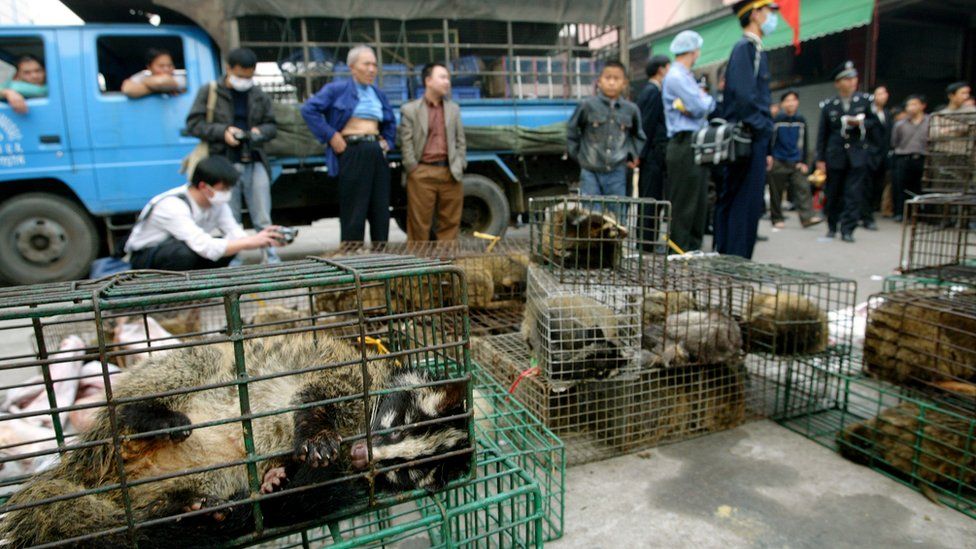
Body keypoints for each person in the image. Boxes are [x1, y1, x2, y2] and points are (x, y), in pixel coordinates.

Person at [186, 47, 280, 263]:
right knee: (229, 216)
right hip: (224, 161)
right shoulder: (210, 91)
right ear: (228, 69)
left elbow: (272, 126)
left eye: (249, 76)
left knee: (262, 214)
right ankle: (234, 260)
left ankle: (271, 257)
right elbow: (194, 124)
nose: (244, 81)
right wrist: (223, 132)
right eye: (240, 75)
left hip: (254, 158)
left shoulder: (258, 94)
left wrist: (258, 133)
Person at [301, 45, 396, 243]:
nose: (372, 70)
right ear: (352, 67)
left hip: (376, 150)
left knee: (380, 207)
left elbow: (390, 121)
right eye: (366, 64)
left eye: (374, 65)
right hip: (352, 150)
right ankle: (353, 254)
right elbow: (309, 110)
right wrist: (331, 135)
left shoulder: (377, 94)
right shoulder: (337, 90)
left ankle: (382, 254)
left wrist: (388, 142)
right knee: (354, 208)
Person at [125, 156, 284, 271]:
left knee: (226, 247)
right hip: (146, 257)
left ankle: (196, 292)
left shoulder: (216, 203)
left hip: (181, 249)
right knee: (184, 254)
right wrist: (250, 242)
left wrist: (264, 238)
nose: (227, 193)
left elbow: (234, 233)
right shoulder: (172, 205)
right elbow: (204, 246)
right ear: (203, 186)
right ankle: (169, 297)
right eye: (224, 189)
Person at [713, 0, 778, 259]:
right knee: (744, 201)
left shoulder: (755, 49)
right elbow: (744, 97)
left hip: (753, 136)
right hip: (748, 137)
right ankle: (735, 259)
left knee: (741, 199)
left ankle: (730, 256)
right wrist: (762, 128)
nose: (771, 18)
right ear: (755, 14)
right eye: (768, 12)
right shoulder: (745, 48)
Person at [398, 63, 467, 241]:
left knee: (450, 223)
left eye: (448, 78)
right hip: (422, 172)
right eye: (442, 77)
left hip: (450, 172)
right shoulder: (410, 110)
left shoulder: (453, 109)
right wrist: (412, 167)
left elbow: (460, 140)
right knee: (419, 225)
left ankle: (447, 258)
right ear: (428, 80)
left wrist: (460, 163)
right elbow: (406, 142)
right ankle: (419, 258)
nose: (447, 82)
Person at [815, 61, 881, 243]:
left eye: (854, 78)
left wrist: (860, 123)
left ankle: (848, 229)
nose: (852, 81)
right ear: (838, 83)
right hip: (835, 155)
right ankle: (832, 226)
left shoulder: (865, 101)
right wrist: (820, 158)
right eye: (847, 79)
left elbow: (875, 124)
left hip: (857, 155)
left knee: (854, 194)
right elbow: (823, 133)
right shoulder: (829, 105)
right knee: (833, 192)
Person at [567, 60, 644, 212]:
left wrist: (631, 155)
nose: (612, 82)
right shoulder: (587, 106)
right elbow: (572, 131)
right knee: (591, 216)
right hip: (590, 171)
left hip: (617, 171)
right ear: (599, 81)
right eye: (608, 78)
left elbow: (638, 135)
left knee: (617, 215)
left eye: (616, 78)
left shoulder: (631, 109)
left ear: (624, 83)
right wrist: (579, 156)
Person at [662, 30, 715, 253]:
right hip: (683, 143)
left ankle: (692, 251)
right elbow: (701, 106)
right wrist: (704, 100)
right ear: (694, 51)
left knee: (698, 203)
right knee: (685, 205)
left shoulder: (686, 76)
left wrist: (703, 101)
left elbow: (703, 104)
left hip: (694, 142)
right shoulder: (676, 77)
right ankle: (678, 254)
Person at [767, 90, 822, 229]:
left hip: (795, 160)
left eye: (793, 100)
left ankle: (807, 217)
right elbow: (770, 140)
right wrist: (769, 156)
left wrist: (804, 161)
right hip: (778, 159)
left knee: (803, 187)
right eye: (787, 100)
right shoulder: (777, 120)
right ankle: (777, 218)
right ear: (782, 104)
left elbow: (805, 141)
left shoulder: (801, 120)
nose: (791, 103)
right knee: (776, 192)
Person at [890, 95, 929, 222]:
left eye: (914, 104)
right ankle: (900, 213)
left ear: (922, 106)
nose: (910, 107)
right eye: (908, 105)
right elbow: (894, 142)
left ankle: (918, 214)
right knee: (900, 186)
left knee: (920, 187)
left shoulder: (930, 122)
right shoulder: (900, 124)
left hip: (922, 158)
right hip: (903, 158)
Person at [636, 55, 670, 202]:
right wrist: (640, 153)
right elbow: (647, 123)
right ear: (661, 70)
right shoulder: (653, 92)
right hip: (652, 153)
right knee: (650, 195)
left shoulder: (650, 90)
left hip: (651, 152)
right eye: (668, 68)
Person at [860, 84, 892, 230]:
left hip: (882, 157)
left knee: (877, 187)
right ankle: (865, 216)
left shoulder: (887, 113)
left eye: (885, 93)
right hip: (868, 156)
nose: (883, 96)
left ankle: (868, 212)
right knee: (865, 187)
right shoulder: (866, 112)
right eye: (879, 93)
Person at [122, 48, 187, 99]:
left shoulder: (180, 77)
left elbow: (162, 82)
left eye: (170, 65)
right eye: (161, 66)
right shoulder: (143, 75)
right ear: (149, 67)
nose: (166, 69)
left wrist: (143, 85)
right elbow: (128, 90)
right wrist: (160, 89)